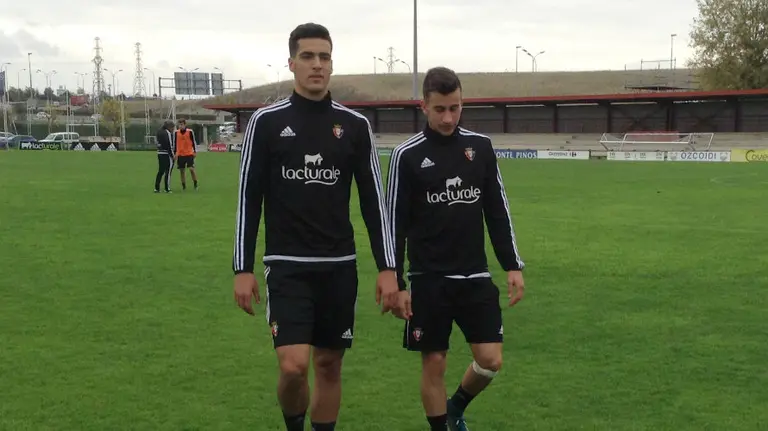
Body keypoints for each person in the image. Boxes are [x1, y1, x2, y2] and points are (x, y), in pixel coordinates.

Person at [231, 22, 399, 431]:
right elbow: (248, 199)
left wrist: (388, 267)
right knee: (292, 366)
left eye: (324, 57)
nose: (317, 65)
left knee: (328, 364)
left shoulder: (354, 126)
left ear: (332, 64)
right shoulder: (266, 123)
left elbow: (374, 202)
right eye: (308, 56)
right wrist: (242, 268)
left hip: (338, 266)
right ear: (291, 63)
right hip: (286, 266)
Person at [385, 66, 526, 431]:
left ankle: (455, 407)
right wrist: (397, 282)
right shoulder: (406, 155)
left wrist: (512, 264)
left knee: (491, 359)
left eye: (455, 108)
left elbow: (497, 210)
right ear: (424, 106)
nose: (448, 118)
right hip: (428, 278)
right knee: (435, 362)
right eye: (440, 110)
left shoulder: (480, 148)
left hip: (474, 274)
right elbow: (394, 225)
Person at [174, 118, 199, 191]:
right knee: (182, 171)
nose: (180, 126)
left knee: (191, 169)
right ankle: (184, 186)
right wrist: (175, 153)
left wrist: (195, 151)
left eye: (182, 124)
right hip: (180, 154)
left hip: (189, 153)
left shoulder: (190, 132)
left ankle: (195, 184)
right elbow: (175, 143)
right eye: (179, 125)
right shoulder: (176, 133)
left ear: (185, 125)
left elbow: (193, 142)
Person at [154, 120, 175, 193]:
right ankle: (167, 188)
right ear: (169, 127)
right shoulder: (167, 133)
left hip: (159, 153)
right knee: (168, 172)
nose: (173, 130)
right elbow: (169, 145)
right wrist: (172, 155)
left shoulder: (159, 132)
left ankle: (156, 188)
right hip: (166, 154)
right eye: (172, 128)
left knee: (161, 171)